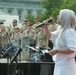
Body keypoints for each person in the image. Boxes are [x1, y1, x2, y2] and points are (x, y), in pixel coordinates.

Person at [43, 9, 76, 75]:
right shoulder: (60, 30)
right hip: (60, 63)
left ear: (64, 18)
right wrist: (46, 27)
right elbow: (50, 36)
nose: (57, 16)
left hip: (66, 65)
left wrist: (56, 51)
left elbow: (71, 49)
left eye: (59, 15)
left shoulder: (69, 31)